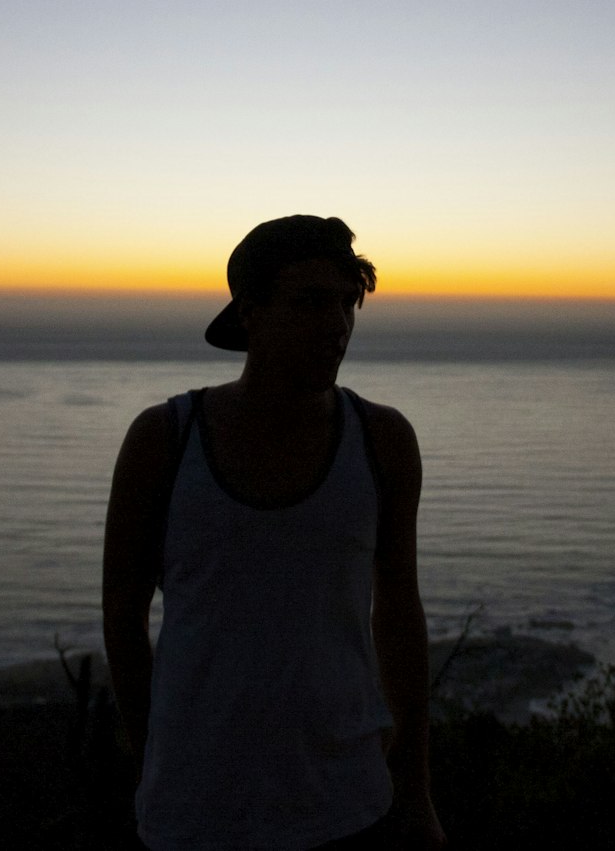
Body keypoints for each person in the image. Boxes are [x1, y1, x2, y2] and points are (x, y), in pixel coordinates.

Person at [103, 215, 447, 850]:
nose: (338, 324)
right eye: (310, 301)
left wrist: (416, 789)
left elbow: (399, 610)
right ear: (250, 312)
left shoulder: (383, 441)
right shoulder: (164, 441)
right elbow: (122, 620)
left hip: (351, 804)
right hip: (196, 816)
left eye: (348, 302)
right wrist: (156, 762)